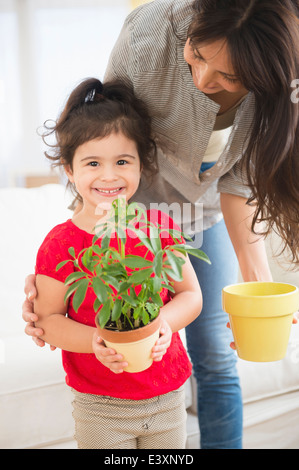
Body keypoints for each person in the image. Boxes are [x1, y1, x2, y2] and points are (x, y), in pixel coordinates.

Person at [23, 0, 299, 449]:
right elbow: (110, 133)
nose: (205, 81)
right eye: (198, 54)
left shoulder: (282, 84)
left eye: (229, 77)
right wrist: (77, 245)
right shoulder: (149, 34)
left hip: (205, 213)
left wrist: (258, 284)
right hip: (137, 210)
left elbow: (238, 183)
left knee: (215, 356)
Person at [31, 77, 203, 449]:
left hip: (167, 394)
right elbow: (48, 320)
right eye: (93, 163)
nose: (109, 175)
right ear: (69, 169)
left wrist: (165, 326)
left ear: (141, 164)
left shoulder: (158, 227)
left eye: (123, 161)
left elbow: (190, 295)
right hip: (100, 406)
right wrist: (95, 339)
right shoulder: (60, 245)